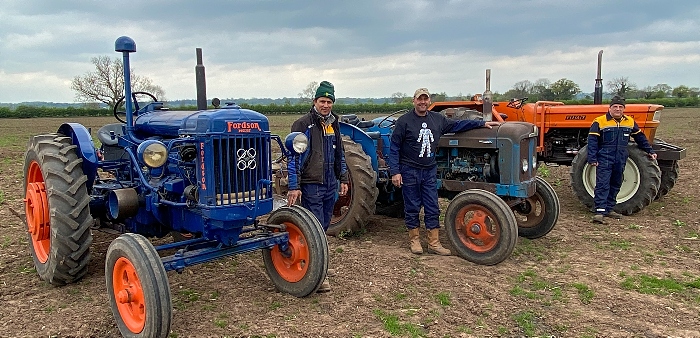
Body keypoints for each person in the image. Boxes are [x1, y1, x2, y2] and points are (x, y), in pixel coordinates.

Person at [388, 88, 501, 255]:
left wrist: (481, 123)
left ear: (429, 101)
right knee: (412, 206)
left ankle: (434, 243)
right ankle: (415, 241)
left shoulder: (437, 119)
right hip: (409, 170)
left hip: (429, 170)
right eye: (420, 99)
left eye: (426, 99)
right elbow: (394, 147)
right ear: (414, 100)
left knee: (432, 207)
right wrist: (395, 172)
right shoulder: (404, 121)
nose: (423, 102)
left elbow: (458, 125)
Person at [287, 80, 348, 292]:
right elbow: (293, 158)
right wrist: (294, 185)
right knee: (313, 229)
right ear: (315, 101)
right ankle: (316, 275)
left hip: (330, 183)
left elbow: (340, 152)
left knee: (323, 226)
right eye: (322, 100)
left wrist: (344, 178)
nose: (326, 105)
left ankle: (319, 264)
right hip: (312, 184)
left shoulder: (334, 123)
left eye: (329, 101)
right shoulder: (303, 124)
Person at [587, 95, 657, 224]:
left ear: (624, 109)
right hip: (605, 156)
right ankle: (599, 212)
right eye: (615, 107)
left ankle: (609, 208)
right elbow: (592, 141)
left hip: (621, 156)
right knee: (603, 184)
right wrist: (592, 157)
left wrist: (650, 150)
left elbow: (640, 138)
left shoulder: (629, 121)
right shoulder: (599, 121)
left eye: (620, 107)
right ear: (610, 108)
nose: (617, 109)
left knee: (616, 183)